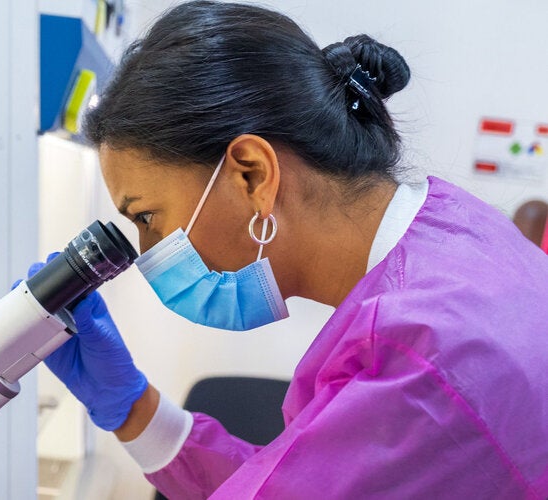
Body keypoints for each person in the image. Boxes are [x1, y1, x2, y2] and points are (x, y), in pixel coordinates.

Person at [30, 1, 548, 497]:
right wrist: (132, 408)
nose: (146, 255)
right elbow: (310, 482)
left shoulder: (418, 362)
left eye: (146, 217)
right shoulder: (454, 227)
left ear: (252, 175)